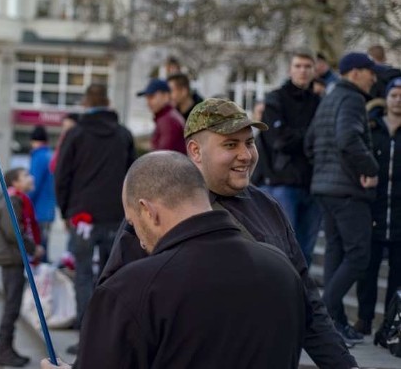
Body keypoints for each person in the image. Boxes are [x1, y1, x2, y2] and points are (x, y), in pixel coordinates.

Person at [99, 98, 359, 369]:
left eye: (249, 142)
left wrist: (345, 366)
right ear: (195, 151)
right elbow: (116, 306)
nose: (246, 155)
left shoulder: (268, 208)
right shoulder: (159, 211)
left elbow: (308, 305)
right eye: (230, 144)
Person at [67, 151, 307, 368]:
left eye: (133, 224)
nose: (139, 240)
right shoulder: (282, 270)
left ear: (148, 211)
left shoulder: (129, 290)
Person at [54, 83, 135, 353]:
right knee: (111, 276)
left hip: (82, 218)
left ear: (86, 103)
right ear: (109, 101)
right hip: (115, 217)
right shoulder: (123, 134)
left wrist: (65, 211)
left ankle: (86, 337)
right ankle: (109, 337)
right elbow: (132, 176)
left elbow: (62, 175)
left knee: (83, 275)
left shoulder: (76, 134)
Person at [306, 52, 380, 345]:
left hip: (325, 188)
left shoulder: (330, 97)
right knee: (360, 255)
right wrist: (369, 169)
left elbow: (310, 143)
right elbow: (348, 139)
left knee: (336, 254)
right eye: (369, 71)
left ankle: (334, 322)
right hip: (348, 191)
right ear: (355, 73)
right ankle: (322, 318)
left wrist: (326, 169)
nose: (374, 77)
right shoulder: (351, 99)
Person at [254, 50, 322, 265]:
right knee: (283, 249)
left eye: (307, 66)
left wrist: (299, 136)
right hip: (282, 182)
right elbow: (279, 140)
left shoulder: (318, 102)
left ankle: (301, 297)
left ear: (314, 70)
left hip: (312, 183)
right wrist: (309, 135)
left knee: (306, 252)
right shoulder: (275, 98)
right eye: (298, 66)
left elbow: (323, 137)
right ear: (290, 69)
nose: (302, 71)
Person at [355, 76, 401, 337]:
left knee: (397, 275)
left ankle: (390, 325)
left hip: (399, 213)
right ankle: (364, 318)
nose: (398, 99)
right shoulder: (372, 127)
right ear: (387, 98)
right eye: (394, 94)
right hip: (373, 209)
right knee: (367, 271)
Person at [0, 168, 44, 367]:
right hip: (11, 259)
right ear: (15, 182)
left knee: (13, 305)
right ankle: (3, 350)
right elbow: (14, 232)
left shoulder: (18, 200)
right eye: (25, 176)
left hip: (14, 259)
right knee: (11, 306)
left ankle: (7, 347)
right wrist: (33, 248)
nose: (31, 178)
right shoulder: (12, 201)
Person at [136, 78, 186, 153]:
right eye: (147, 98)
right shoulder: (167, 116)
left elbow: (161, 157)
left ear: (165, 96)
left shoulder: (168, 120)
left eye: (152, 97)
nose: (148, 102)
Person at [28, 125, 55, 262]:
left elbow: (33, 184)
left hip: (37, 209)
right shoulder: (50, 156)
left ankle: (39, 280)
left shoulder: (38, 157)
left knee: (38, 247)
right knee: (44, 244)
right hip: (48, 209)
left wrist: (25, 202)